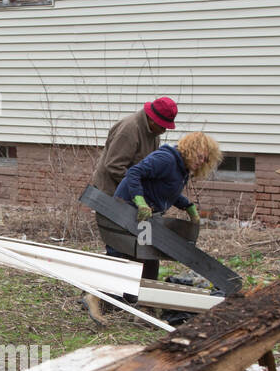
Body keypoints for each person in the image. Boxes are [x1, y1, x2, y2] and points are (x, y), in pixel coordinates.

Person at [85, 97, 178, 320]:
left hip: (129, 196)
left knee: (142, 248)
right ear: (152, 119)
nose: (164, 131)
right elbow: (114, 166)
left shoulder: (151, 133)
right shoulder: (130, 130)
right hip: (111, 196)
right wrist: (139, 195)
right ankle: (101, 297)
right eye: (163, 125)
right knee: (119, 248)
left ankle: (129, 297)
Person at [112, 131, 221, 308]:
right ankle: (112, 298)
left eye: (205, 160)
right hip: (126, 209)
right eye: (200, 157)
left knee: (149, 257)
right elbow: (133, 173)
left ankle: (142, 299)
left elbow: (166, 191)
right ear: (191, 149)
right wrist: (139, 201)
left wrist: (188, 206)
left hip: (145, 215)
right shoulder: (166, 159)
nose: (201, 162)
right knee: (132, 255)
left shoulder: (182, 169)